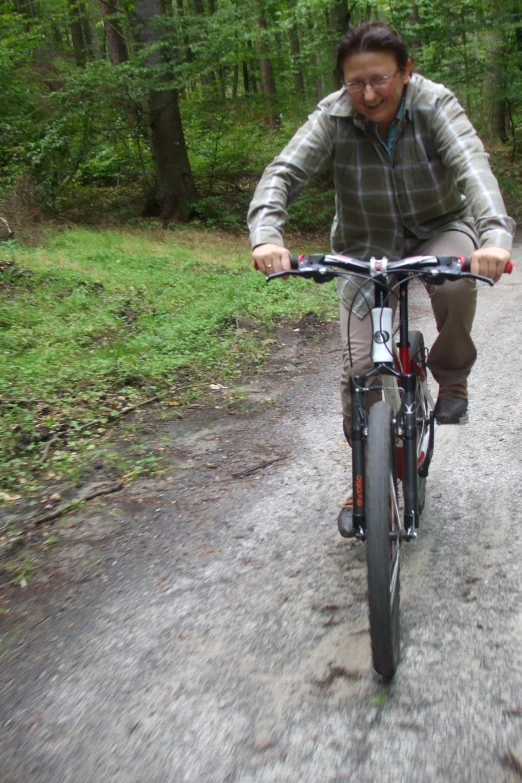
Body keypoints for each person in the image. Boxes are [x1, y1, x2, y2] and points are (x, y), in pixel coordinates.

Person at [247, 21, 515, 537]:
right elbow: (284, 172)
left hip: (439, 229)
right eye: (355, 83)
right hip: (364, 245)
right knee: (361, 368)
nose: (369, 93)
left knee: (459, 282)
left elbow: (473, 170)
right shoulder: (333, 116)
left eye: (380, 79)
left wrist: (494, 239)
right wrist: (266, 236)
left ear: (405, 71)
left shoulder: (435, 106)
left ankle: (452, 374)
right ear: (343, 83)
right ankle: (365, 476)